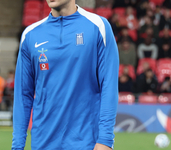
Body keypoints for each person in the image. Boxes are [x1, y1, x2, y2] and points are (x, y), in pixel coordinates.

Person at [12, 0, 119, 150]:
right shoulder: (30, 35)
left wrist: (105, 140)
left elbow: (109, 85)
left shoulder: (98, 27)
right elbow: (23, 95)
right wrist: (17, 146)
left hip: (86, 143)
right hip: (42, 144)